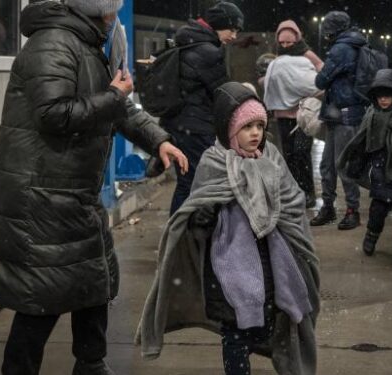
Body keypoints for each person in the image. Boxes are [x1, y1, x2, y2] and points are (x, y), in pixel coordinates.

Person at [0, 1, 189, 374]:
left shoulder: (87, 42)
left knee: (95, 280)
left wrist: (158, 139)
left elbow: (119, 108)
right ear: (98, 10)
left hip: (71, 190)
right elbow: (54, 113)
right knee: (41, 297)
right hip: (41, 195)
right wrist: (113, 95)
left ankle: (91, 364)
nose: (116, 15)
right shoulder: (53, 43)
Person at [137, 82, 320, 375]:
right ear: (229, 128)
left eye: (260, 125)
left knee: (272, 326)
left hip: (272, 264)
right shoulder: (214, 162)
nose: (256, 133)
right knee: (235, 333)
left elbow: (293, 200)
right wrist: (206, 214)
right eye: (247, 127)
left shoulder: (271, 157)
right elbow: (196, 218)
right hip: (226, 270)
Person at [161, 1, 243, 216]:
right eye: (232, 29)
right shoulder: (208, 51)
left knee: (187, 180)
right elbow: (223, 92)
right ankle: (181, 235)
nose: (234, 36)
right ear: (218, 24)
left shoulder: (187, 41)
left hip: (179, 123)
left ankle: (179, 232)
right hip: (196, 127)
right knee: (195, 182)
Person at [338, 69, 392, 268]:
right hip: (380, 171)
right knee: (378, 210)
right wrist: (357, 164)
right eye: (379, 96)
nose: (383, 100)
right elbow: (363, 141)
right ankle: (371, 236)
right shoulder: (372, 115)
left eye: (388, 95)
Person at [311, 11, 367, 230]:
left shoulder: (341, 48)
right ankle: (330, 208)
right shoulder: (357, 44)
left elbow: (321, 80)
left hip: (342, 115)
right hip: (345, 114)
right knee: (330, 164)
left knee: (340, 166)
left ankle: (349, 211)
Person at [264, 20, 323, 209]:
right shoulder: (277, 58)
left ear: (297, 39)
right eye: (282, 43)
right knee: (289, 155)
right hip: (283, 115)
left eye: (289, 43)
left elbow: (321, 71)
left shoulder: (307, 54)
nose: (286, 46)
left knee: (302, 153)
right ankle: (293, 192)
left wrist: (309, 88)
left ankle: (308, 193)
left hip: (303, 115)